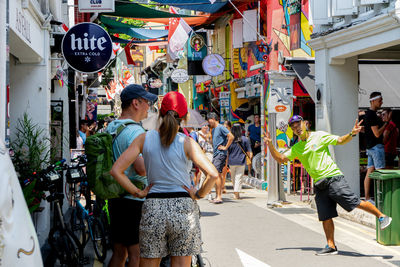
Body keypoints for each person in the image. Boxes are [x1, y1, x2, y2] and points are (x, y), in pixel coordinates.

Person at [110, 91, 218, 267]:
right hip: (183, 209)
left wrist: (137, 192)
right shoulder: (188, 142)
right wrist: (198, 194)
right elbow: (213, 174)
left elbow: (116, 170)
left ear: (160, 112)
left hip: (154, 207)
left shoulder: (144, 138)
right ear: (185, 116)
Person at [264, 115, 392, 255]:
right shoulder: (297, 147)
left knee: (354, 202)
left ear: (305, 124)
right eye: (293, 128)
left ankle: (382, 216)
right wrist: (270, 145)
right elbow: (281, 159)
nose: (297, 129)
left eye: (298, 125)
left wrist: (351, 133)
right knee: (325, 215)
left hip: (333, 178)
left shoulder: (319, 136)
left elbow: (340, 140)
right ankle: (331, 246)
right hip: (319, 184)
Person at [106, 84, 157, 267]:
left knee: (119, 253)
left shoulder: (111, 127)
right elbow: (141, 169)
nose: (148, 107)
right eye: (146, 102)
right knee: (137, 254)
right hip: (133, 200)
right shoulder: (136, 131)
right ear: (136, 103)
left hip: (115, 197)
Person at [207, 113, 234, 204]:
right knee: (216, 175)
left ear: (212, 119)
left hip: (220, 154)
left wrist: (225, 147)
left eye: (209, 120)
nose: (208, 122)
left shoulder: (221, 127)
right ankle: (217, 196)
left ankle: (219, 196)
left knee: (217, 175)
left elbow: (231, 136)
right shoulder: (214, 130)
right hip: (216, 154)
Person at [364, 92, 386, 201]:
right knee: (380, 172)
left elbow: (366, 130)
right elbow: (377, 133)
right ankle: (380, 198)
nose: (381, 102)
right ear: (373, 101)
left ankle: (367, 198)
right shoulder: (372, 114)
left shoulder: (368, 114)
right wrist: (386, 123)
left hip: (370, 147)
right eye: (380, 100)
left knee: (370, 171)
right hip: (376, 147)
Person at [228, 123, 252, 199]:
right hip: (241, 161)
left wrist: (226, 162)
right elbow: (249, 152)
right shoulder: (245, 139)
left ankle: (236, 193)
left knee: (233, 178)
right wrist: (250, 158)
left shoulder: (230, 139)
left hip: (231, 161)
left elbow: (227, 152)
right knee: (239, 177)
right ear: (240, 130)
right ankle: (236, 193)